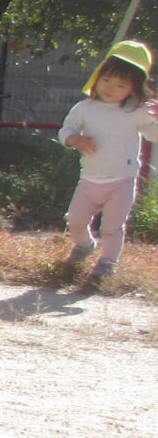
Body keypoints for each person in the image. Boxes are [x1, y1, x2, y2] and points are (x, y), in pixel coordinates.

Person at [57, 39, 157, 284]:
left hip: (122, 181)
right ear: (97, 77)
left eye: (121, 85)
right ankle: (84, 245)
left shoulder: (137, 111)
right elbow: (65, 130)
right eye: (106, 80)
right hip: (89, 179)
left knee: (112, 226)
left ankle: (107, 263)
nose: (111, 88)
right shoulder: (84, 108)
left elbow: (154, 135)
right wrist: (74, 140)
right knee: (75, 220)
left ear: (134, 89)